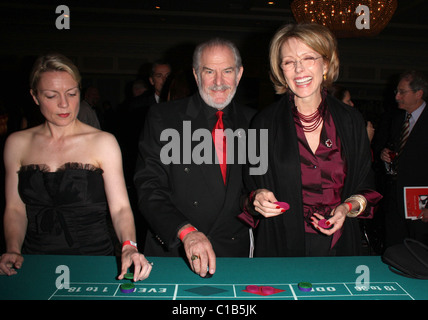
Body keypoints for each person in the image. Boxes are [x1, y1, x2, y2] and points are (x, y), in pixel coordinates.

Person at [0, 53, 152, 281]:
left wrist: (129, 245)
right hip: (35, 258)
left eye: (72, 94)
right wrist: (13, 249)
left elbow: (120, 208)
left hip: (93, 258)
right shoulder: (16, 143)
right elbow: (15, 209)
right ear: (35, 96)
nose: (64, 104)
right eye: (51, 95)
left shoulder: (103, 142)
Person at [242, 23, 382, 257]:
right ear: (281, 70)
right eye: (289, 62)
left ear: (326, 64)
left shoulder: (351, 121)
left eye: (308, 58)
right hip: (282, 245)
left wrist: (347, 208)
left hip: (340, 244)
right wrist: (257, 198)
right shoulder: (263, 123)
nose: (299, 69)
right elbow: (249, 189)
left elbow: (366, 186)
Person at [134, 38, 256, 277]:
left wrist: (257, 200)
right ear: (196, 74)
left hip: (233, 254)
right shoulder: (164, 117)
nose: (219, 82)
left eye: (227, 71)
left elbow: (251, 188)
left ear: (239, 74)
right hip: (176, 251)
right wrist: (185, 232)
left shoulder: (255, 121)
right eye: (209, 71)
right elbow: (149, 188)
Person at [379, 70, 428, 247]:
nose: (397, 96)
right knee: (395, 250)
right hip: (395, 202)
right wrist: (385, 157)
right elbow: (396, 153)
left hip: (422, 206)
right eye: (396, 92)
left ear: (418, 93)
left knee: (419, 253)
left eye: (402, 92)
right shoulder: (397, 120)